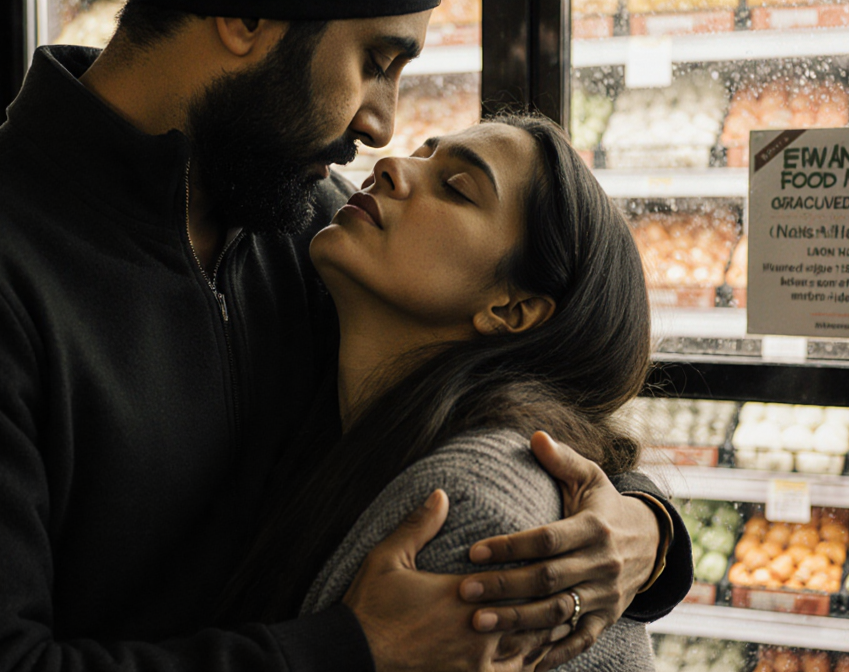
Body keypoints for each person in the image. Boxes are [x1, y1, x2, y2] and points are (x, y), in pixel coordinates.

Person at [0, 3, 692, 671]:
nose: (380, 127)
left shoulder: (310, 229)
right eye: (376, 60)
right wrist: (345, 652)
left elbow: (515, 385)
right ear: (246, 16)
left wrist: (645, 530)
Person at [220, 116, 659, 670]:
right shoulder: (362, 418)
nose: (391, 165)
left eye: (455, 187)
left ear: (509, 310)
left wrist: (653, 527)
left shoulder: (471, 516)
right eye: (423, 154)